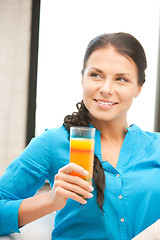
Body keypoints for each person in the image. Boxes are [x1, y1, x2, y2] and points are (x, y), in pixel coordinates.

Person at [0, 32, 160, 240]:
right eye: (96, 75)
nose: (105, 89)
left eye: (121, 79)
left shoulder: (156, 148)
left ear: (138, 88)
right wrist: (51, 200)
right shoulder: (53, 143)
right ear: (82, 78)